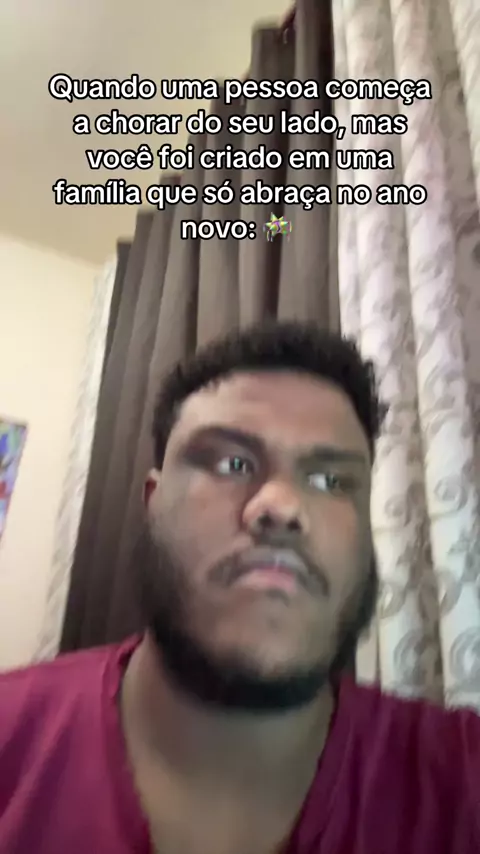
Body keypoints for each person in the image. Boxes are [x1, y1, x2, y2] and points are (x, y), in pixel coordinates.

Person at [0, 321, 478, 854]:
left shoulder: (463, 780)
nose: (282, 507)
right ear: (153, 502)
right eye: (232, 464)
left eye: (330, 481)